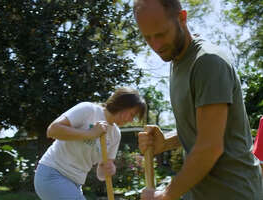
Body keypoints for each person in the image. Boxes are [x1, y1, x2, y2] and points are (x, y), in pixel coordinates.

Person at [133, 0, 263, 199]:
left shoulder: (207, 62)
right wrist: (164, 142)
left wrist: (165, 196)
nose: (156, 45)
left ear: (182, 18)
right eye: (147, 37)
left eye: (161, 34)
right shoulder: (176, 61)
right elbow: (205, 129)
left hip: (233, 193)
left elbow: (209, 147)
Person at [34, 87, 146, 200]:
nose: (131, 120)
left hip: (76, 183)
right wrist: (90, 134)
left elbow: (101, 172)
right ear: (123, 105)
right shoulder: (88, 110)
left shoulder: (115, 134)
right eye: (132, 114)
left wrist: (110, 169)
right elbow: (52, 130)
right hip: (53, 173)